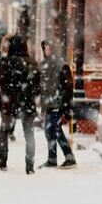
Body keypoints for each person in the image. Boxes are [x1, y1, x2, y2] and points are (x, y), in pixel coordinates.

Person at [0, 35, 40, 174]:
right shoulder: (33, 63)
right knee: (29, 134)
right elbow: (37, 87)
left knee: (4, 131)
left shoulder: (6, 63)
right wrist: (30, 95)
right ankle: (29, 165)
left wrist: (5, 98)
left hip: (10, 103)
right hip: (28, 103)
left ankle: (2, 161)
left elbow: (1, 84)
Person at [39, 41, 77, 169]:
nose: (46, 51)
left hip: (58, 104)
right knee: (51, 131)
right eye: (45, 49)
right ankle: (53, 159)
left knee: (54, 131)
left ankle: (68, 157)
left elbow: (68, 88)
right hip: (50, 104)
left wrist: (66, 108)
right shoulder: (44, 65)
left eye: (49, 49)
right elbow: (43, 88)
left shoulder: (62, 66)